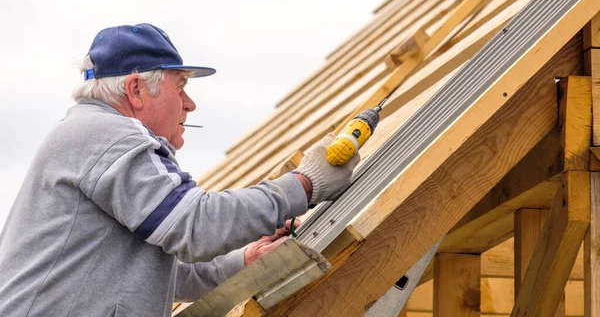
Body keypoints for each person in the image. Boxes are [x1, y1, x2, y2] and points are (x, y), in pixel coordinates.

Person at [0, 23, 360, 316]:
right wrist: (304, 185)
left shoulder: (91, 136)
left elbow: (160, 271)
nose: (190, 103)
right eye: (181, 86)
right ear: (137, 89)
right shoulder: (106, 136)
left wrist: (244, 259)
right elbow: (197, 226)